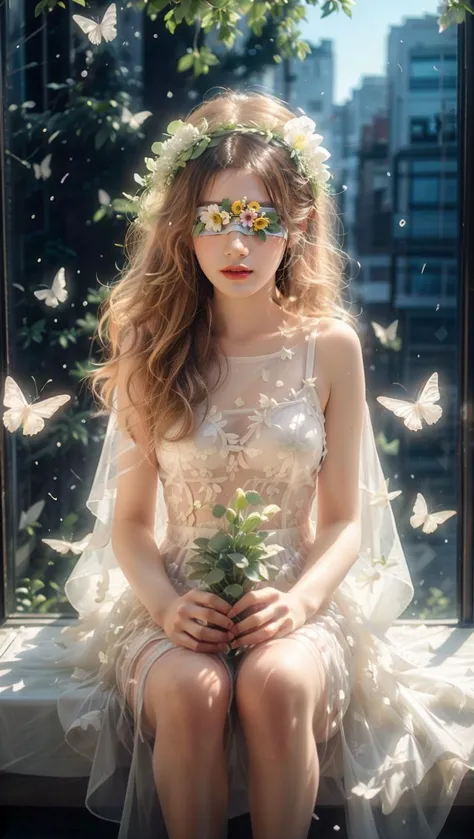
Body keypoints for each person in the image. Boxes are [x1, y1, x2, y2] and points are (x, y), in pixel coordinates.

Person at [34, 90, 474, 839]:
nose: (237, 245)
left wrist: (299, 604)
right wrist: (169, 607)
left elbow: (341, 522)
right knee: (194, 692)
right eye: (215, 219)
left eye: (259, 219)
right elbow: (133, 526)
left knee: (273, 682)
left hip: (295, 601)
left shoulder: (330, 348)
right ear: (187, 227)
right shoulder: (154, 350)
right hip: (171, 601)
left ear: (295, 224)